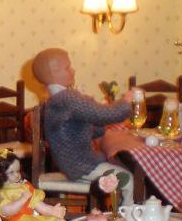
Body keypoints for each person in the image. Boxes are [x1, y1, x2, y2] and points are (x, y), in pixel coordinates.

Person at [34, 47, 134, 206]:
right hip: (82, 166)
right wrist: (126, 102)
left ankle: (118, 212)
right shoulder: (67, 98)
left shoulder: (57, 100)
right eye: (68, 67)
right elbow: (103, 115)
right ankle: (127, 216)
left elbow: (87, 129)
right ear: (53, 72)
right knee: (127, 179)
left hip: (73, 165)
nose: (73, 70)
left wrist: (93, 114)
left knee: (120, 168)